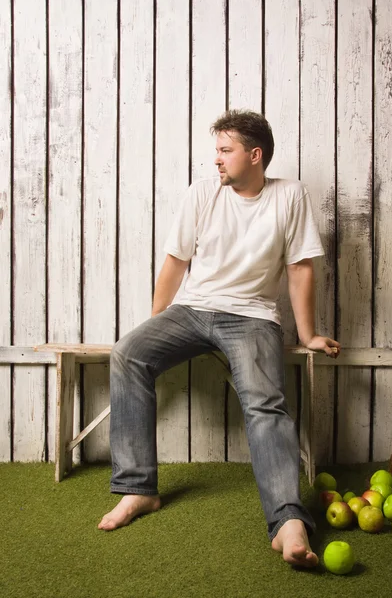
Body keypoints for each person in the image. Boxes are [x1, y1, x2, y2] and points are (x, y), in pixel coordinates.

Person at [98, 109, 341, 568]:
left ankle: (288, 520)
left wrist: (307, 334)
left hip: (252, 317)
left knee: (265, 402)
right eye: (216, 150)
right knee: (129, 354)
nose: (217, 160)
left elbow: (300, 267)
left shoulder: (289, 196)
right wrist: (155, 325)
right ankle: (136, 489)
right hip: (193, 310)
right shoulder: (203, 192)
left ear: (255, 155)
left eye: (225, 151)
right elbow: (175, 261)